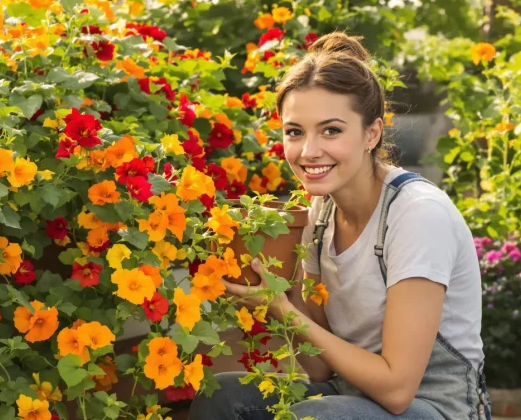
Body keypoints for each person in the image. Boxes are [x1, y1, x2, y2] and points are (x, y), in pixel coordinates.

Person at [189, 32, 490, 420]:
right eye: (295, 132)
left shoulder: (417, 215)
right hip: (350, 397)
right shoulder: (321, 213)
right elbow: (318, 368)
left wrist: (285, 311)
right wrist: (278, 290)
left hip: (435, 407)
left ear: (371, 133)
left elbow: (398, 391)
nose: (308, 151)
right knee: (222, 396)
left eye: (331, 130)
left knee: (314, 416)